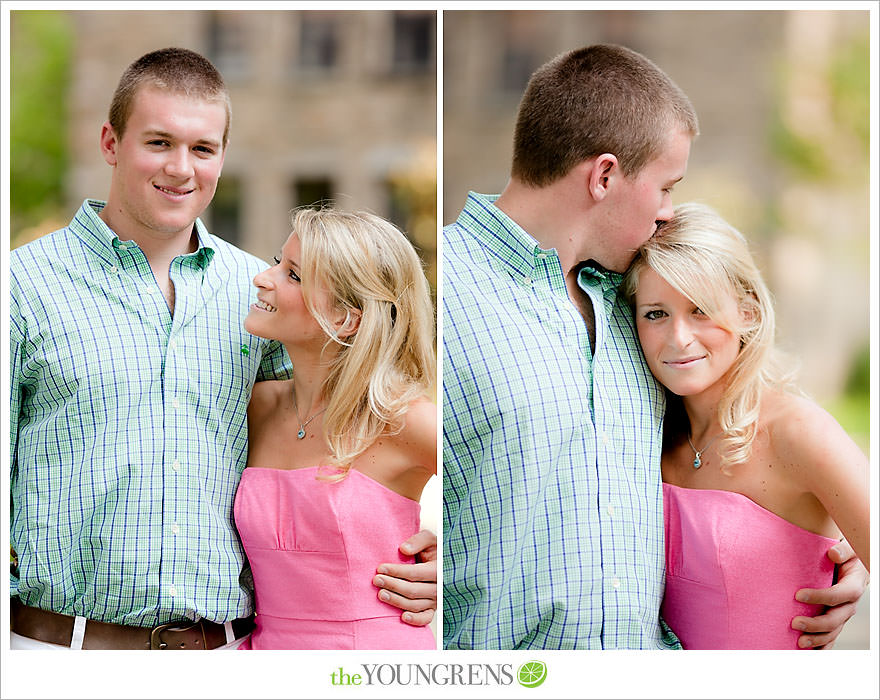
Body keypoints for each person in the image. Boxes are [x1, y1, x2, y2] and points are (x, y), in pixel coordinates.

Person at [442, 43, 867, 650]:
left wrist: (824, 551)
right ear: (605, 176)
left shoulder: (628, 291)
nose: (668, 212)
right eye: (666, 186)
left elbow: (737, 472)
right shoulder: (436, 290)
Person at [9, 47, 436, 651]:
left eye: (203, 149)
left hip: (231, 656)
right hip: (61, 655)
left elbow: (338, 436)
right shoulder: (21, 288)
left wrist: (448, 556)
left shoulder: (259, 295)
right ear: (110, 142)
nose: (182, 168)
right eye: (159, 142)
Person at [621, 201, 869, 649]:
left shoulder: (796, 431)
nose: (679, 338)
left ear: (748, 313)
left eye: (701, 310)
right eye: (655, 313)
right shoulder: (644, 435)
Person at [234, 207, 437, 650]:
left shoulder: (403, 418)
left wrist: (452, 565)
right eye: (277, 262)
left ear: (347, 317)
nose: (262, 279)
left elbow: (520, 494)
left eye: (293, 275)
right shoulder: (257, 406)